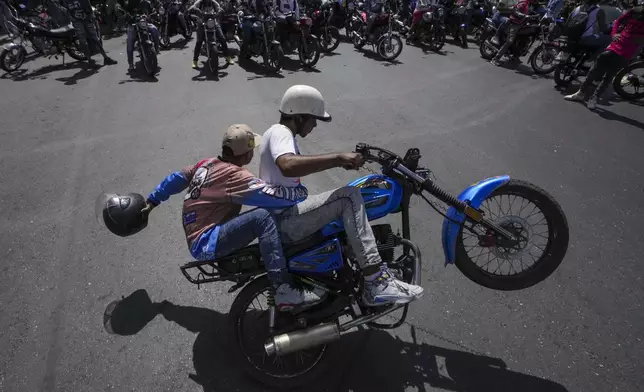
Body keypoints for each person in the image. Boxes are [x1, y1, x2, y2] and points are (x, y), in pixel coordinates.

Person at [259, 85, 425, 307]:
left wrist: (342, 162)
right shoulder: (281, 132)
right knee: (348, 197)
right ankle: (375, 281)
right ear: (299, 117)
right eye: (313, 119)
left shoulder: (276, 133)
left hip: (283, 215)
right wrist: (338, 158)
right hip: (286, 220)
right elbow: (288, 165)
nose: (315, 124)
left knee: (341, 202)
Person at [142, 124, 325, 311]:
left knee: (262, 214)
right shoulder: (235, 176)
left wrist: (153, 200)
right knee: (262, 216)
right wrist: (301, 193)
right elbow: (273, 196)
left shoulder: (204, 164)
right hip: (207, 241)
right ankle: (283, 288)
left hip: (198, 236)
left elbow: (176, 178)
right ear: (247, 155)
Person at [564, 0, 644, 109]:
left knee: (609, 77)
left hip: (627, 52)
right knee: (594, 70)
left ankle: (594, 98)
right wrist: (614, 33)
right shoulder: (635, 11)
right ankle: (580, 93)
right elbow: (618, 21)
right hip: (615, 46)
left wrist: (639, 40)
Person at [59, 0, 117, 66]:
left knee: (94, 39)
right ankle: (91, 60)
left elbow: (88, 5)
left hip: (86, 18)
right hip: (78, 20)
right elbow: (64, 9)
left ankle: (104, 58)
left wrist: (90, 15)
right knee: (85, 41)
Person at [490, 0, 540, 66]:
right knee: (509, 41)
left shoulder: (527, 3)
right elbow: (514, 11)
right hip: (514, 24)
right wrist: (523, 15)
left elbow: (527, 11)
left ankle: (515, 56)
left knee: (522, 37)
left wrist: (535, 15)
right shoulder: (523, 2)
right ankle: (495, 59)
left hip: (520, 24)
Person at [188, 0, 234, 68]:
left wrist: (220, 10)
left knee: (222, 38)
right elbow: (192, 7)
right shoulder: (199, 2)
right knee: (199, 42)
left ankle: (227, 56)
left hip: (213, 23)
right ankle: (195, 61)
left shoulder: (213, 2)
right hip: (202, 23)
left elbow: (219, 8)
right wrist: (193, 9)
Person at [125, 0, 161, 71]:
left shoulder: (146, 2)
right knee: (130, 41)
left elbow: (152, 10)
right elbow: (125, 13)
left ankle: (156, 49)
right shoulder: (129, 3)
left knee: (154, 29)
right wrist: (127, 17)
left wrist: (154, 13)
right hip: (133, 24)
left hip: (144, 23)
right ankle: (130, 63)